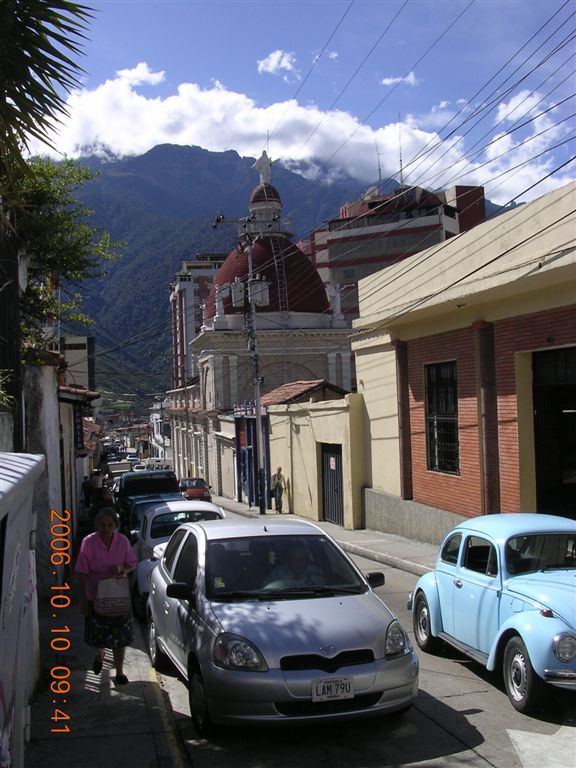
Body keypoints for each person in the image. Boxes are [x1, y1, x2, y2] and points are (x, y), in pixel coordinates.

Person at [74, 508, 137, 685]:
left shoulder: (122, 541)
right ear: (96, 526)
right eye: (102, 525)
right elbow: (82, 573)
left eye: (110, 525)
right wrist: (83, 600)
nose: (106, 529)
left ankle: (119, 672)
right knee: (98, 636)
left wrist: (121, 568)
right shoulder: (88, 542)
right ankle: (100, 655)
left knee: (121, 637)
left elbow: (132, 563)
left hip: (118, 597)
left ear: (115, 526)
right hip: (96, 597)